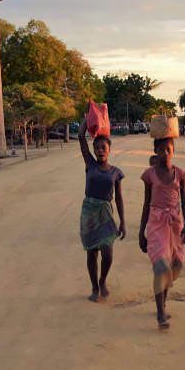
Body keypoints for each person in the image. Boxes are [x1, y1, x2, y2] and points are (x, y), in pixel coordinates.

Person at [139, 137, 185, 329]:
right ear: (155, 152)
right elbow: (146, 204)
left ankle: (163, 302)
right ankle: (160, 313)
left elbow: (184, 201)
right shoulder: (149, 175)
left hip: (175, 224)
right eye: (160, 150)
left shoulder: (180, 174)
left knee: (175, 267)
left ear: (173, 150)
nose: (164, 154)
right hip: (157, 223)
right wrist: (141, 233)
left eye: (168, 150)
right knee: (160, 266)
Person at [78, 120, 126, 302]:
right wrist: (87, 118)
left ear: (109, 149)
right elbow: (81, 137)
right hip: (89, 212)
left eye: (103, 147)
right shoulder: (90, 164)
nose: (100, 151)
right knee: (92, 252)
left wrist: (122, 221)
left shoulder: (115, 172)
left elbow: (119, 198)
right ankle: (94, 287)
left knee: (107, 253)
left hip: (106, 213)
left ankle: (103, 280)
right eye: (97, 148)